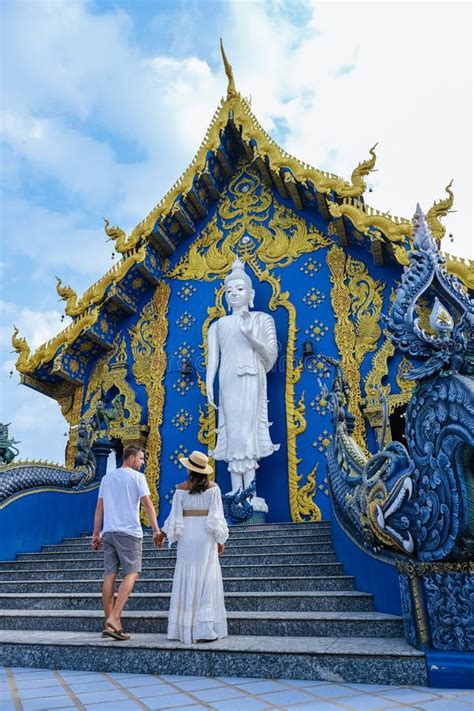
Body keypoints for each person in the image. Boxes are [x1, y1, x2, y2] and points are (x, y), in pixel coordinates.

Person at [206, 257, 279, 508]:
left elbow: (270, 357)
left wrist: (251, 338)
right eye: (229, 290)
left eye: (239, 289)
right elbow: (212, 360)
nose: (234, 294)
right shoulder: (218, 325)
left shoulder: (261, 319)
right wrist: (209, 384)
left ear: (251, 293)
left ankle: (250, 491)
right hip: (227, 380)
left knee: (247, 433)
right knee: (232, 431)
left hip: (250, 377)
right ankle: (235, 490)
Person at [91, 443, 163, 640]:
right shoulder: (137, 477)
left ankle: (110, 625)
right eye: (140, 458)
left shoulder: (107, 478)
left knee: (109, 575)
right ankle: (114, 618)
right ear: (130, 458)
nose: (142, 462)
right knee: (132, 573)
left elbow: (99, 507)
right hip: (129, 532)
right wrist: (156, 530)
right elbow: (147, 504)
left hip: (109, 532)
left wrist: (96, 533)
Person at [162, 449, 228, 644]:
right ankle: (205, 628)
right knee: (206, 578)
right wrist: (220, 540)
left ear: (189, 470)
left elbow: (174, 517)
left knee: (186, 576)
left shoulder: (180, 489)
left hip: (187, 537)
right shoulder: (214, 488)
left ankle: (182, 628)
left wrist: (163, 534)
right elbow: (217, 516)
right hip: (205, 536)